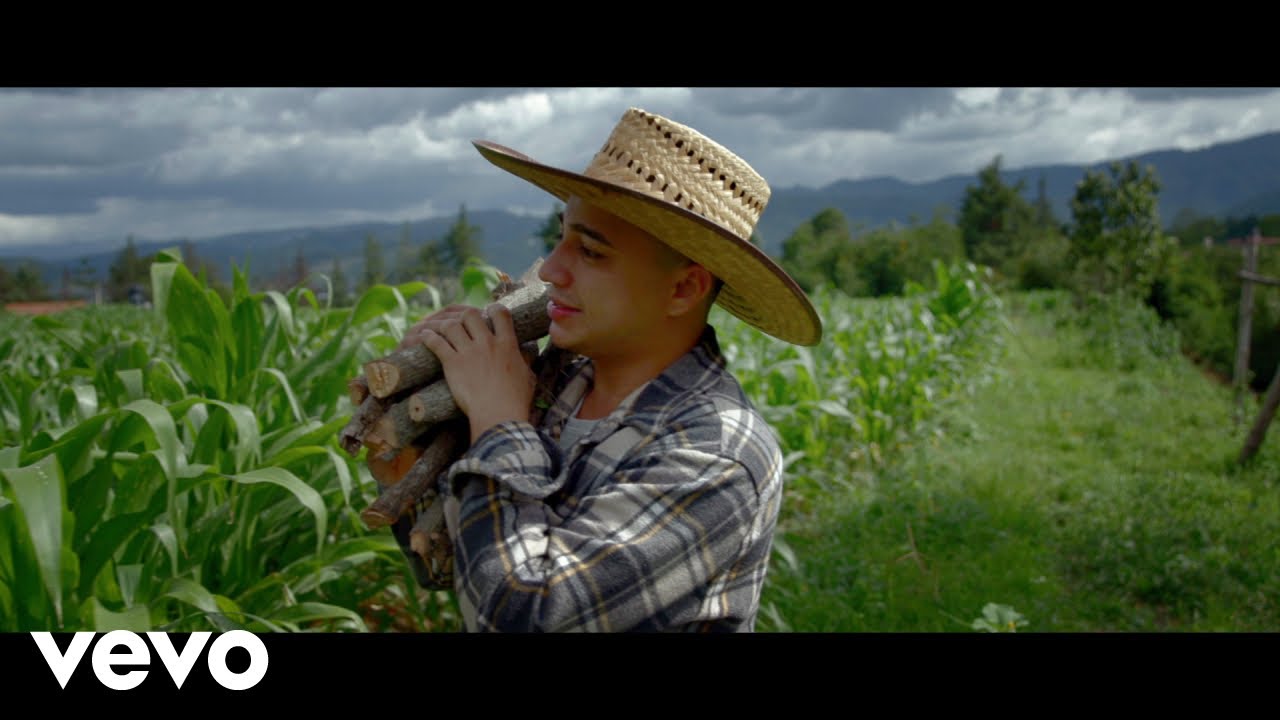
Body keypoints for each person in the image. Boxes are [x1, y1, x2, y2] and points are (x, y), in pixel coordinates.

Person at [378, 107, 822, 632]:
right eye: (562, 236)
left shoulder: (718, 454)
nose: (550, 269)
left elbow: (524, 614)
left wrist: (499, 421)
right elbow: (463, 567)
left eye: (590, 251)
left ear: (683, 289)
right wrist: (404, 444)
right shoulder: (560, 383)